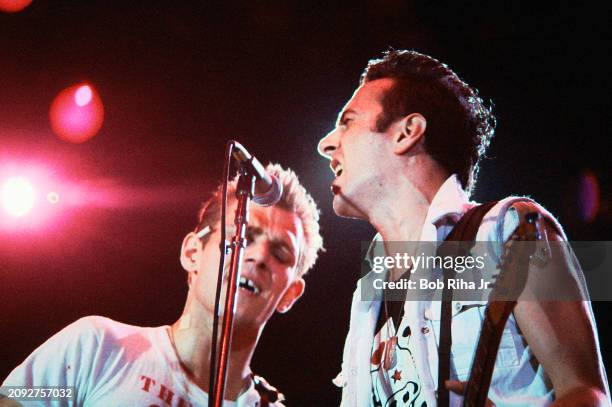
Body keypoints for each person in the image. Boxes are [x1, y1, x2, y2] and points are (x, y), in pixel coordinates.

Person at [317, 49, 610, 406]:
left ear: (407, 132)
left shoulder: (510, 229)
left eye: (347, 121)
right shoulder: (368, 294)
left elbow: (587, 392)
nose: (326, 143)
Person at [1, 163, 323, 406]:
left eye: (280, 253)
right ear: (192, 252)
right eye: (242, 238)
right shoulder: (96, 345)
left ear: (290, 294)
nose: (260, 256)